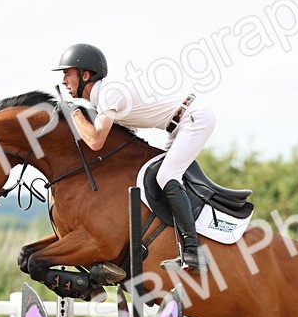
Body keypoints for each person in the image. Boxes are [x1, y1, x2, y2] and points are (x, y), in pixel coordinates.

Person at [53, 43, 213, 271]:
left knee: (167, 175)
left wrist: (74, 113)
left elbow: (96, 141)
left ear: (85, 75)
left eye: (67, 73)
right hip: (177, 125)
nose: (64, 81)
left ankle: (194, 251)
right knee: (156, 176)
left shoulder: (109, 93)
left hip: (194, 118)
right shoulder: (103, 101)